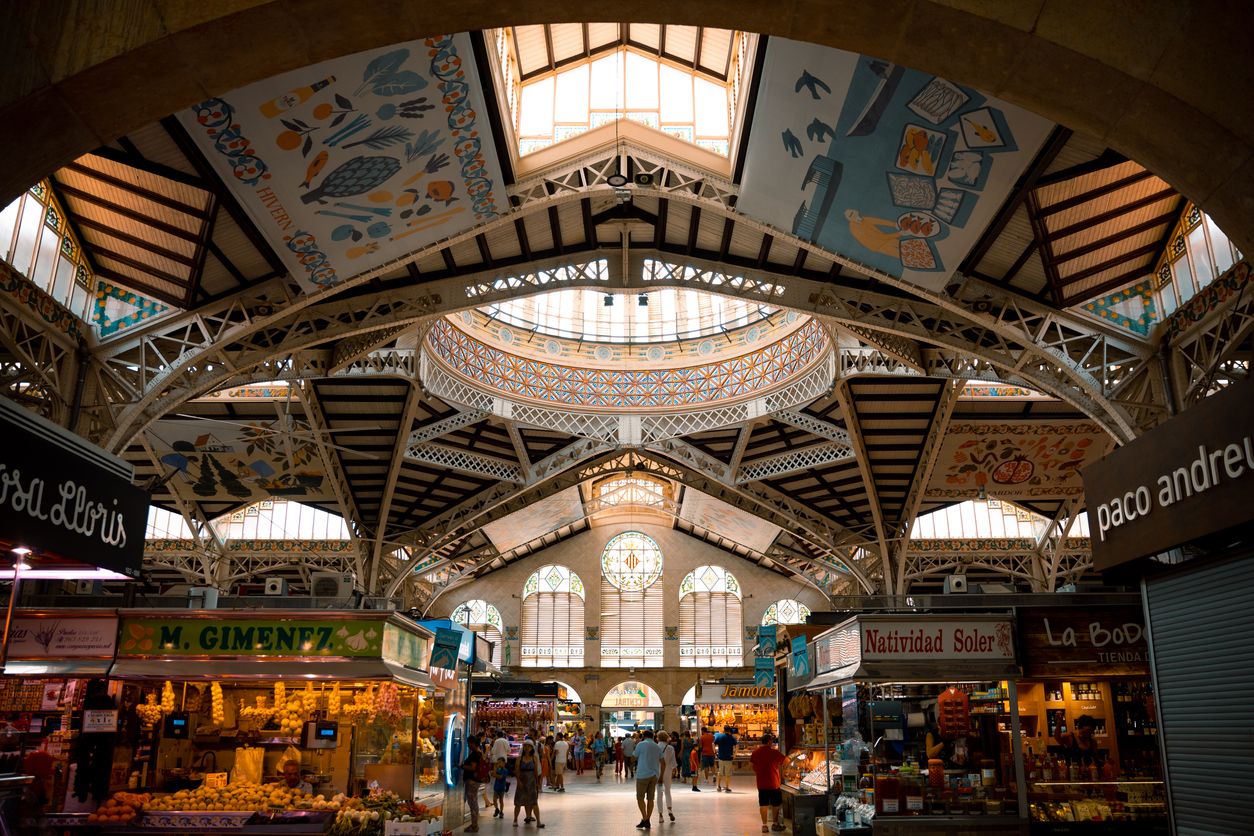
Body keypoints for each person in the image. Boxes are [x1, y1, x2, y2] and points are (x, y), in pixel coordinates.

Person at [750, 734, 788, 833]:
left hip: (761, 783)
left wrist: (759, 772)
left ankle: (764, 825)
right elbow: (786, 761)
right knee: (775, 804)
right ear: (769, 742)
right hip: (774, 783)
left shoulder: (755, 752)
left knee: (763, 805)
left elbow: (751, 766)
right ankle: (775, 823)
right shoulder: (774, 753)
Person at [633, 730, 662, 830]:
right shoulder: (657, 746)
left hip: (642, 774)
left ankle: (645, 819)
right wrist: (661, 776)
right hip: (654, 775)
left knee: (640, 798)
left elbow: (634, 757)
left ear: (643, 736)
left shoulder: (641, 744)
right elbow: (663, 761)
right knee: (650, 798)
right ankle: (647, 820)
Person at [513, 740, 544, 828]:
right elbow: (517, 770)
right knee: (518, 802)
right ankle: (515, 819)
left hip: (531, 782)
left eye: (529, 746)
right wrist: (518, 781)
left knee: (534, 802)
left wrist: (537, 783)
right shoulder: (519, 758)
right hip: (522, 781)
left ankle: (538, 821)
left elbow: (535, 771)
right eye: (525, 746)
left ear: (532, 748)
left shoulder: (534, 758)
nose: (527, 748)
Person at [461, 734, 484, 833]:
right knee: (474, 802)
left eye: (469, 743)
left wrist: (462, 766)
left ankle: (474, 825)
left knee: (472, 802)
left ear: (473, 743)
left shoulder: (475, 754)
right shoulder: (479, 752)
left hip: (472, 781)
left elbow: (473, 767)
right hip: (475, 781)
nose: (468, 745)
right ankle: (474, 824)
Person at [654, 731, 677, 824]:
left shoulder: (655, 747)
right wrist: (673, 770)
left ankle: (660, 816)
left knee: (659, 793)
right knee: (668, 791)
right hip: (667, 771)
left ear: (658, 738)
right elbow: (673, 763)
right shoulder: (670, 748)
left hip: (657, 771)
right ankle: (670, 810)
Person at [714, 726, 737, 792]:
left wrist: (715, 752)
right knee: (728, 774)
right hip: (729, 758)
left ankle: (718, 786)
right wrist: (735, 754)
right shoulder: (732, 737)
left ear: (724, 730)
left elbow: (713, 743)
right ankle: (727, 787)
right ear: (729, 730)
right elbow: (737, 745)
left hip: (721, 757)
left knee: (720, 772)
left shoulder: (719, 736)